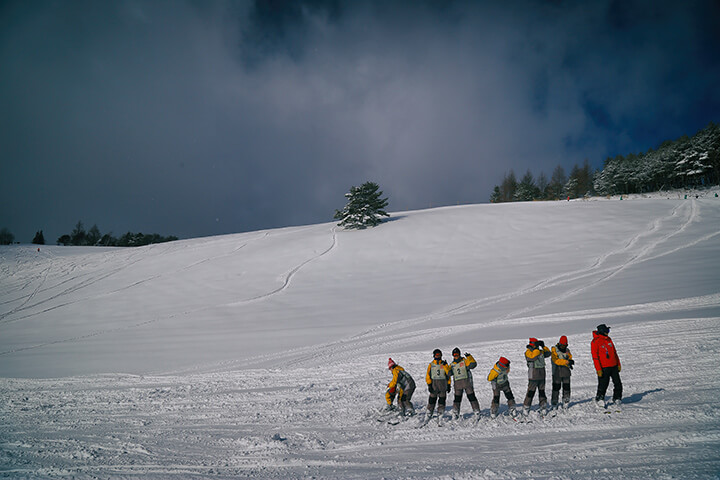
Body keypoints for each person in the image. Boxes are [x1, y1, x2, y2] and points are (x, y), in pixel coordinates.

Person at [591, 324, 622, 407]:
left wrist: (618, 364)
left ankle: (617, 398)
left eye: (608, 331)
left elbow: (614, 353)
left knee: (618, 383)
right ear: (602, 332)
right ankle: (599, 398)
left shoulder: (609, 340)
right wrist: (598, 369)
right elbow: (595, 357)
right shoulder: (595, 341)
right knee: (603, 384)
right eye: (607, 331)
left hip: (614, 366)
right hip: (604, 367)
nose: (608, 333)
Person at [448, 347, 481, 419]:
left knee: (471, 397)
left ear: (459, 354)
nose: (456, 356)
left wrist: (469, 357)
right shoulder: (452, 364)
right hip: (458, 385)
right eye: (454, 355)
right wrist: (445, 367)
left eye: (457, 354)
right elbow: (448, 373)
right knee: (457, 399)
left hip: (467, 383)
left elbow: (473, 364)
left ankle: (476, 411)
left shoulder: (464, 361)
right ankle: (456, 412)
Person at [523, 337, 551, 415]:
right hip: (533, 374)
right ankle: (526, 406)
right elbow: (532, 357)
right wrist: (537, 349)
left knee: (542, 391)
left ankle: (543, 406)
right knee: (531, 392)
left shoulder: (539, 351)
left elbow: (548, 353)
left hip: (542, 373)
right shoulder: (528, 352)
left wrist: (543, 346)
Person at [425, 349, 451, 419]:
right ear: (434, 356)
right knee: (432, 400)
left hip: (443, 385)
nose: (438, 356)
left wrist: (449, 384)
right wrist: (429, 385)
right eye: (436, 355)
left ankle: (440, 414)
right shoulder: (431, 365)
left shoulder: (444, 364)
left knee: (442, 400)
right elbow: (428, 375)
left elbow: (448, 375)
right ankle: (429, 413)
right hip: (434, 385)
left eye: (439, 355)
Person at [551, 336, 574, 411]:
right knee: (556, 388)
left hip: (566, 372)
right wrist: (566, 362)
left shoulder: (567, 350)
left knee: (566, 387)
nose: (564, 347)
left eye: (565, 345)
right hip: (557, 372)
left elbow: (569, 356)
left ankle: (566, 401)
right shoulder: (554, 350)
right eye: (562, 345)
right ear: (560, 344)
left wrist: (570, 361)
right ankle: (554, 403)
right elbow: (556, 360)